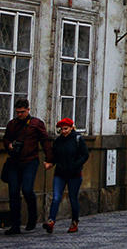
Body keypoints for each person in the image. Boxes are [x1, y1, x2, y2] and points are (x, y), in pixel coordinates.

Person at [3, 98, 53, 234]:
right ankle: (15, 225)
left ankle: (32, 217)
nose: (20, 114)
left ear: (28, 110)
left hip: (30, 161)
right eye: (17, 112)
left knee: (27, 189)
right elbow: (6, 138)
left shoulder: (36, 124)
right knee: (13, 193)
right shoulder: (12, 124)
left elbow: (45, 141)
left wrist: (49, 159)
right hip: (14, 162)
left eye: (22, 112)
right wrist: (9, 145)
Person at [43, 118, 89, 233]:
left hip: (74, 174)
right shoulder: (58, 141)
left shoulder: (78, 139)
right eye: (62, 129)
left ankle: (74, 222)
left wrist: (75, 165)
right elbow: (55, 155)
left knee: (73, 198)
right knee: (56, 197)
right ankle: (51, 221)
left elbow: (85, 155)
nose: (63, 131)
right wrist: (50, 163)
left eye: (66, 129)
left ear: (71, 128)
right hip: (60, 173)